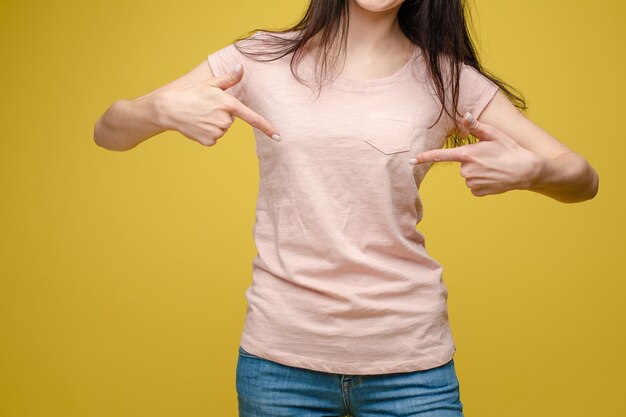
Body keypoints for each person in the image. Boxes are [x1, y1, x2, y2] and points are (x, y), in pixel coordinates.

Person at [94, 0, 599, 415]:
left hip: (412, 367)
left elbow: (583, 179)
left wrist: (537, 172)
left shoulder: (449, 80)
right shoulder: (258, 58)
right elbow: (109, 132)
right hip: (280, 366)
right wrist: (157, 111)